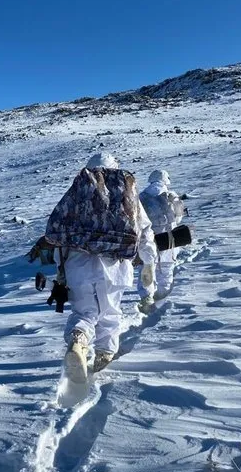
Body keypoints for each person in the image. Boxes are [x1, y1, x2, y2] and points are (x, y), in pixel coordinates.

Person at [46, 152, 157, 382]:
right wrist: (149, 260)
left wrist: (61, 267)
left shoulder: (79, 192)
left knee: (84, 311)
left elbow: (60, 233)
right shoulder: (125, 191)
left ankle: (78, 339)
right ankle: (104, 355)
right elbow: (144, 230)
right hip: (114, 264)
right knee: (109, 312)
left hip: (77, 262)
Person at [138, 169, 185, 308]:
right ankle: (163, 296)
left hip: (148, 237)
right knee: (166, 267)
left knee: (147, 267)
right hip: (168, 237)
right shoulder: (171, 195)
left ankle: (146, 297)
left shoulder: (142, 196)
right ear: (166, 180)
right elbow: (179, 216)